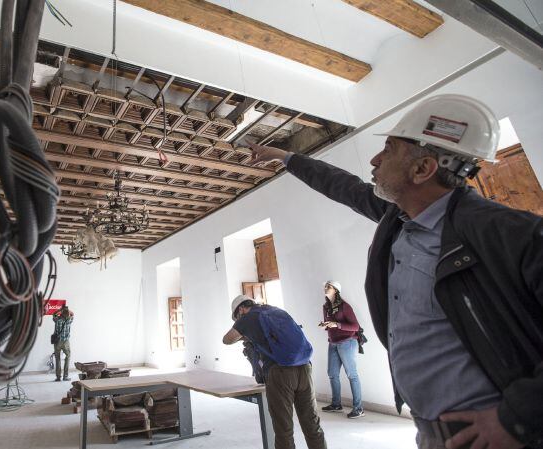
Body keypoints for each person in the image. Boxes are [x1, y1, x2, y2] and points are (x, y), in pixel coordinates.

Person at [249, 94, 542, 449]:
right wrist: (286, 157)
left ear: (422, 169)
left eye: (388, 149)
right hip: (430, 432)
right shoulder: (397, 222)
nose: (374, 159)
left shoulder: (512, 233)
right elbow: (342, 186)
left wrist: (520, 419)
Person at [223, 295, 326, 449]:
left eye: (236, 317)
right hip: (304, 368)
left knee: (283, 428)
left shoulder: (246, 318)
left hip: (280, 373)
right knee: (312, 423)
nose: (237, 319)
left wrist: (243, 334)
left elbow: (227, 339)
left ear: (241, 309)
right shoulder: (274, 310)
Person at [319, 280, 364, 418]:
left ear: (336, 290)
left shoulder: (345, 306)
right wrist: (326, 324)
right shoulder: (326, 306)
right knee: (332, 373)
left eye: (329, 287)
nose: (325, 288)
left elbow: (355, 327)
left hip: (347, 342)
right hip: (333, 343)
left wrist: (336, 324)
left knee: (352, 374)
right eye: (325, 286)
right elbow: (331, 325)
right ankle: (336, 404)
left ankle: (359, 408)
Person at [52, 305, 74, 382]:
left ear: (61, 313)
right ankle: (65, 376)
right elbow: (72, 314)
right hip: (66, 342)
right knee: (68, 357)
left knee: (57, 359)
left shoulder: (57, 319)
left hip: (57, 342)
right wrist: (67, 310)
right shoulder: (69, 320)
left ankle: (58, 377)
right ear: (67, 314)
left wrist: (60, 309)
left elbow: (54, 314)